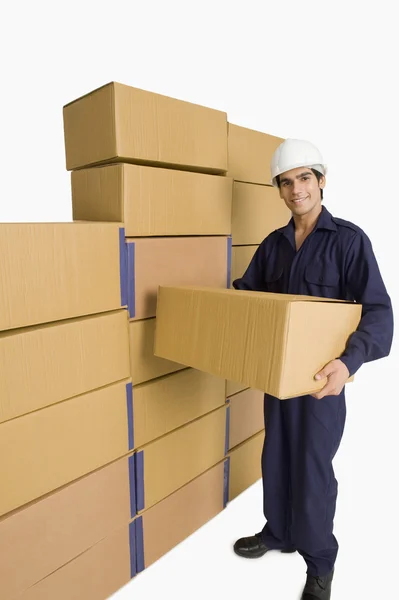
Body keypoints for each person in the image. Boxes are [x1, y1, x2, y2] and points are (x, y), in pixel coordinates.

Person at [231, 138, 394, 599]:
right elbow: (249, 298)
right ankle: (278, 532)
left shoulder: (348, 240)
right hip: (278, 380)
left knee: (312, 468)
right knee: (276, 457)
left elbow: (379, 311)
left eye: (304, 178)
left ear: (321, 181)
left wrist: (349, 363)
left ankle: (319, 562)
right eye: (286, 182)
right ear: (279, 191)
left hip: (323, 382)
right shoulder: (274, 245)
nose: (296, 189)